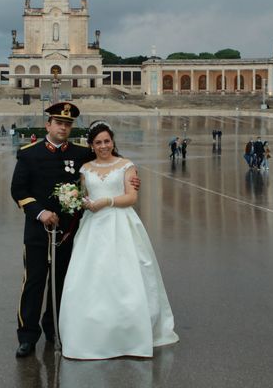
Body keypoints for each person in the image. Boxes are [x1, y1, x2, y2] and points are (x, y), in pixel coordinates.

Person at [10, 106, 139, 359]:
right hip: (38, 230)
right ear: (48, 125)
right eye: (58, 123)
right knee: (34, 282)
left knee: (63, 282)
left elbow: (107, 161)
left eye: (68, 124)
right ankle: (27, 336)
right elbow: (18, 191)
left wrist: (131, 178)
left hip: (69, 231)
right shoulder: (29, 154)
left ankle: (55, 327)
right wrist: (40, 212)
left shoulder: (81, 154)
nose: (63, 128)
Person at [59, 121, 179, 359]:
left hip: (120, 223)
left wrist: (106, 202)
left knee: (124, 277)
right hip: (93, 227)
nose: (103, 146)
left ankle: (128, 332)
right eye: (98, 142)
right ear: (91, 146)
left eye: (107, 141)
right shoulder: (85, 169)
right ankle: (93, 333)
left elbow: (131, 197)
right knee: (92, 278)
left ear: (112, 141)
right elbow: (84, 196)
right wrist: (75, 200)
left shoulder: (126, 165)